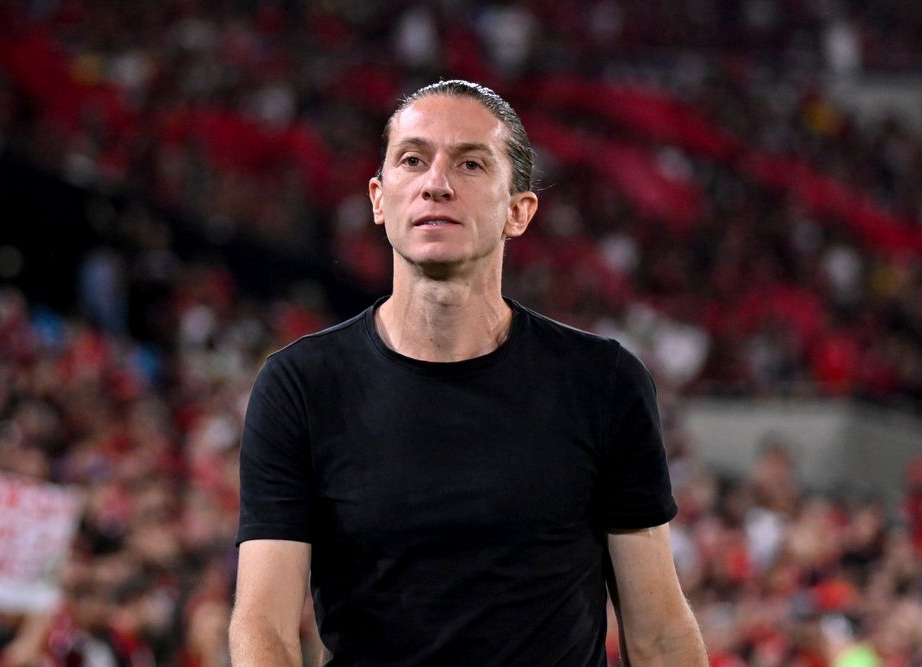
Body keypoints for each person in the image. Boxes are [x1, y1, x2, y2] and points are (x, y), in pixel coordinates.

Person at [229, 79, 707, 666]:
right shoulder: (299, 386)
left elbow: (658, 633)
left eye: (471, 164)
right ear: (378, 199)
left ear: (518, 212)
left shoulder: (603, 383)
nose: (436, 183)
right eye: (413, 160)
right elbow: (264, 628)